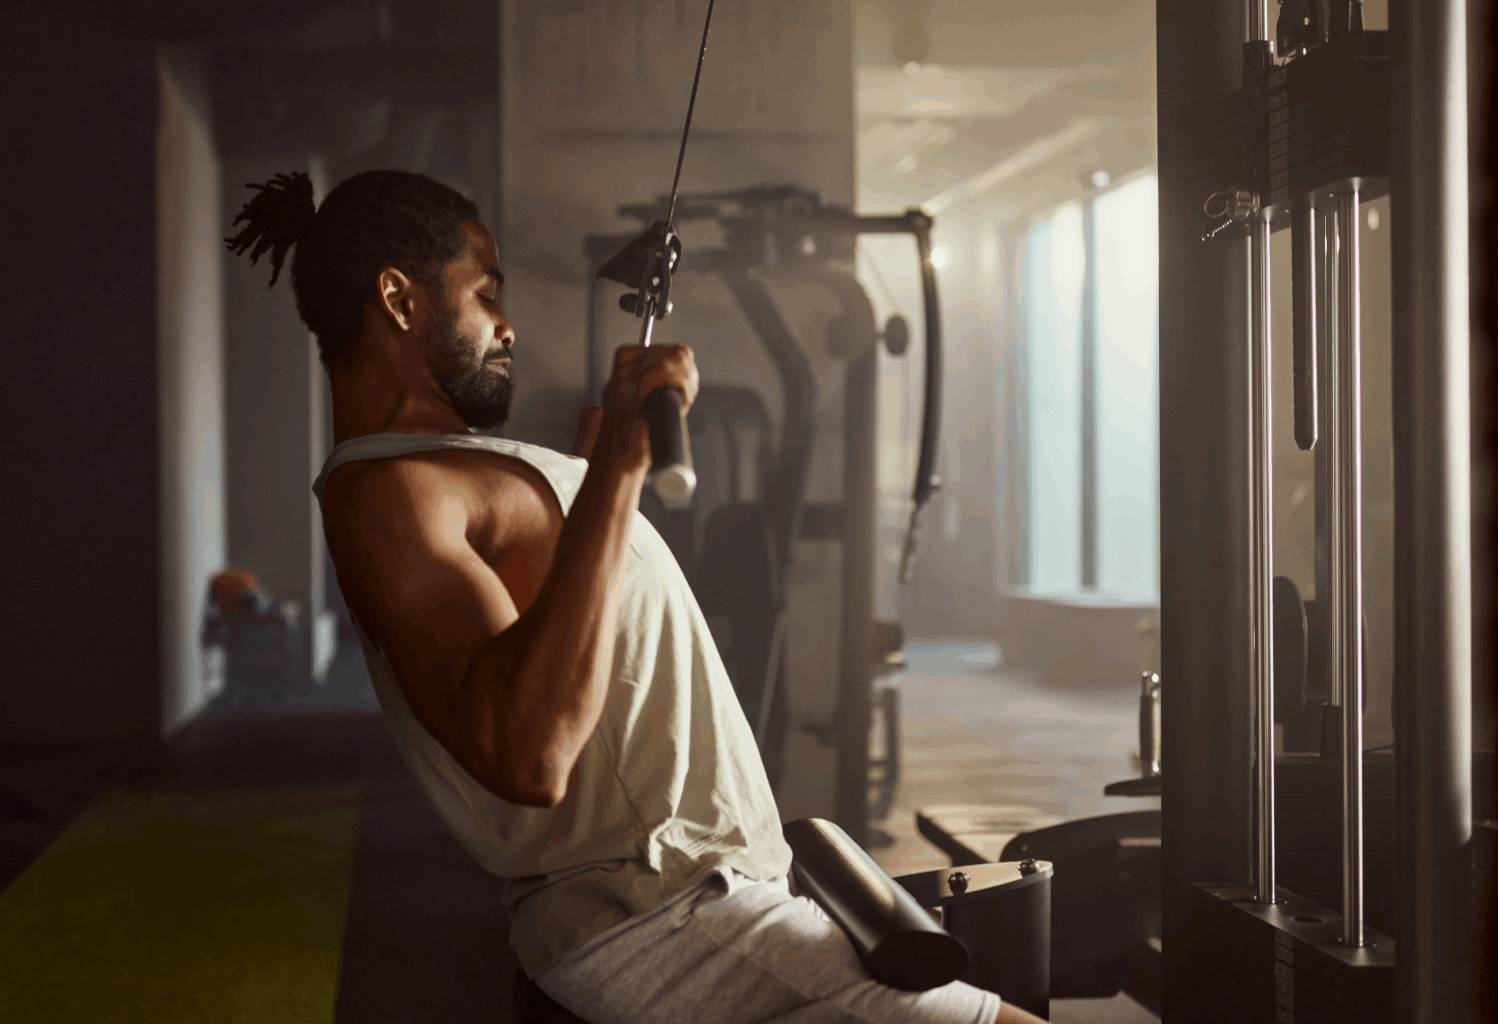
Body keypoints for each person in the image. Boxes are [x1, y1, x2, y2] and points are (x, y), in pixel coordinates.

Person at [227, 169, 1046, 1024]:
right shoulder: (388, 493)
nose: (506, 325)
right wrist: (616, 469)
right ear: (398, 298)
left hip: (690, 899)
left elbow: (558, 651)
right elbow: (528, 753)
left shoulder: (438, 469)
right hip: (668, 919)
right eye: (485, 294)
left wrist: (593, 498)